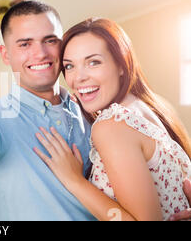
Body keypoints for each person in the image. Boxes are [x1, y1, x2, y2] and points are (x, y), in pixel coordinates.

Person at [0, 0, 191, 220]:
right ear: (6, 55)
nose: (41, 54)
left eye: (50, 40)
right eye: (25, 44)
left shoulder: (94, 108)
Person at [33, 17, 191, 221]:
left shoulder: (112, 126)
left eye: (93, 62)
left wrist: (75, 181)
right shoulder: (148, 108)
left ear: (121, 65)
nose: (78, 78)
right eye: (70, 66)